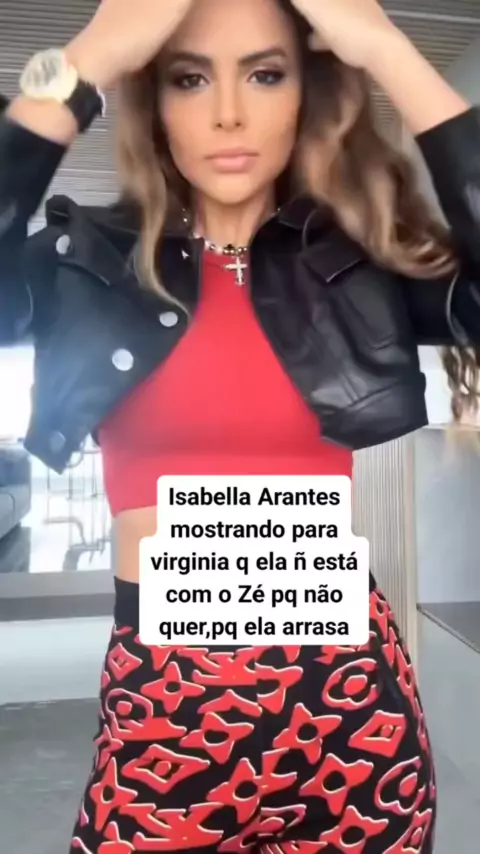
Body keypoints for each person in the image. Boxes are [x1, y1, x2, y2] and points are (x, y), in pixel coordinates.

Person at [1, 0, 480, 850]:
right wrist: (87, 60)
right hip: (167, 706)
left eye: (265, 74)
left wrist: (386, 48)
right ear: (157, 103)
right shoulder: (86, 260)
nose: (228, 112)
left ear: (305, 96)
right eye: (190, 79)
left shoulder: (356, 267)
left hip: (349, 702)